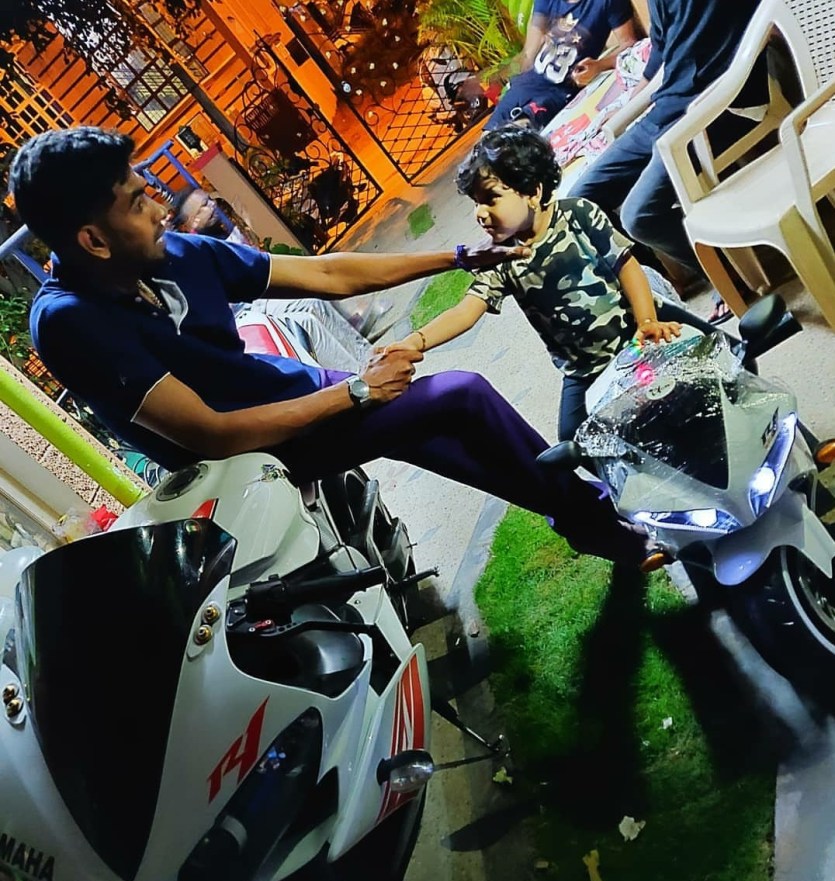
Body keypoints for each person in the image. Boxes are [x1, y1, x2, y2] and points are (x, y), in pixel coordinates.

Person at [8, 126, 656, 567]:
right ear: (93, 240)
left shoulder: (172, 252)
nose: (159, 210)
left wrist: (459, 255)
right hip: (254, 459)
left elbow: (326, 274)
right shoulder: (69, 323)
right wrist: (358, 391)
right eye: (137, 202)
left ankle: (586, 523)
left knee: (443, 432)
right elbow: (211, 434)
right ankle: (596, 519)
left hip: (299, 396)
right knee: (461, 396)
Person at [382, 126, 714, 443]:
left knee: (717, 350)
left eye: (491, 198)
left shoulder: (578, 214)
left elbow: (627, 266)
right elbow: (466, 312)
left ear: (533, 191)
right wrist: (414, 341)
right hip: (585, 369)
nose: (480, 213)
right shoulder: (499, 258)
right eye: (475, 202)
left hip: (638, 327)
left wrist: (647, 320)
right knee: (574, 439)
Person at [566, 0, 764, 321]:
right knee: (580, 200)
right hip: (666, 110)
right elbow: (661, 54)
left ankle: (728, 275)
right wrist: (625, 108)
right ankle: (658, 288)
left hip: (720, 105)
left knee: (639, 215)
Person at [170, 184, 372, 373]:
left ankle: (365, 355)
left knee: (312, 297)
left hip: (258, 296)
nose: (212, 205)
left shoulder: (220, 231)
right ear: (192, 222)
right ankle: (361, 367)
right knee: (310, 305)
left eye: (209, 200)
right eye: (204, 206)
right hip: (247, 308)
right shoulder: (199, 251)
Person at [485, 0, 638, 131]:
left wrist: (599, 66)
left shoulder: (606, 2)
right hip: (525, 84)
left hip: (558, 92)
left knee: (518, 131)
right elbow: (529, 52)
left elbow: (630, 43)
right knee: (486, 141)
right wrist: (493, 76)